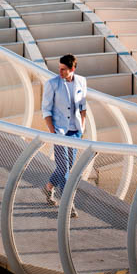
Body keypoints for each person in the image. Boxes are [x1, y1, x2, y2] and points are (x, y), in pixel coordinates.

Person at [42, 54, 87, 217]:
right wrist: (53, 132)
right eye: (59, 68)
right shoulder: (51, 84)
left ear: (72, 69)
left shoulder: (81, 81)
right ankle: (68, 205)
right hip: (59, 133)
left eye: (64, 69)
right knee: (64, 168)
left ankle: (48, 187)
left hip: (75, 132)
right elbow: (46, 110)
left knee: (67, 167)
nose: (60, 72)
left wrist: (82, 128)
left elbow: (83, 107)